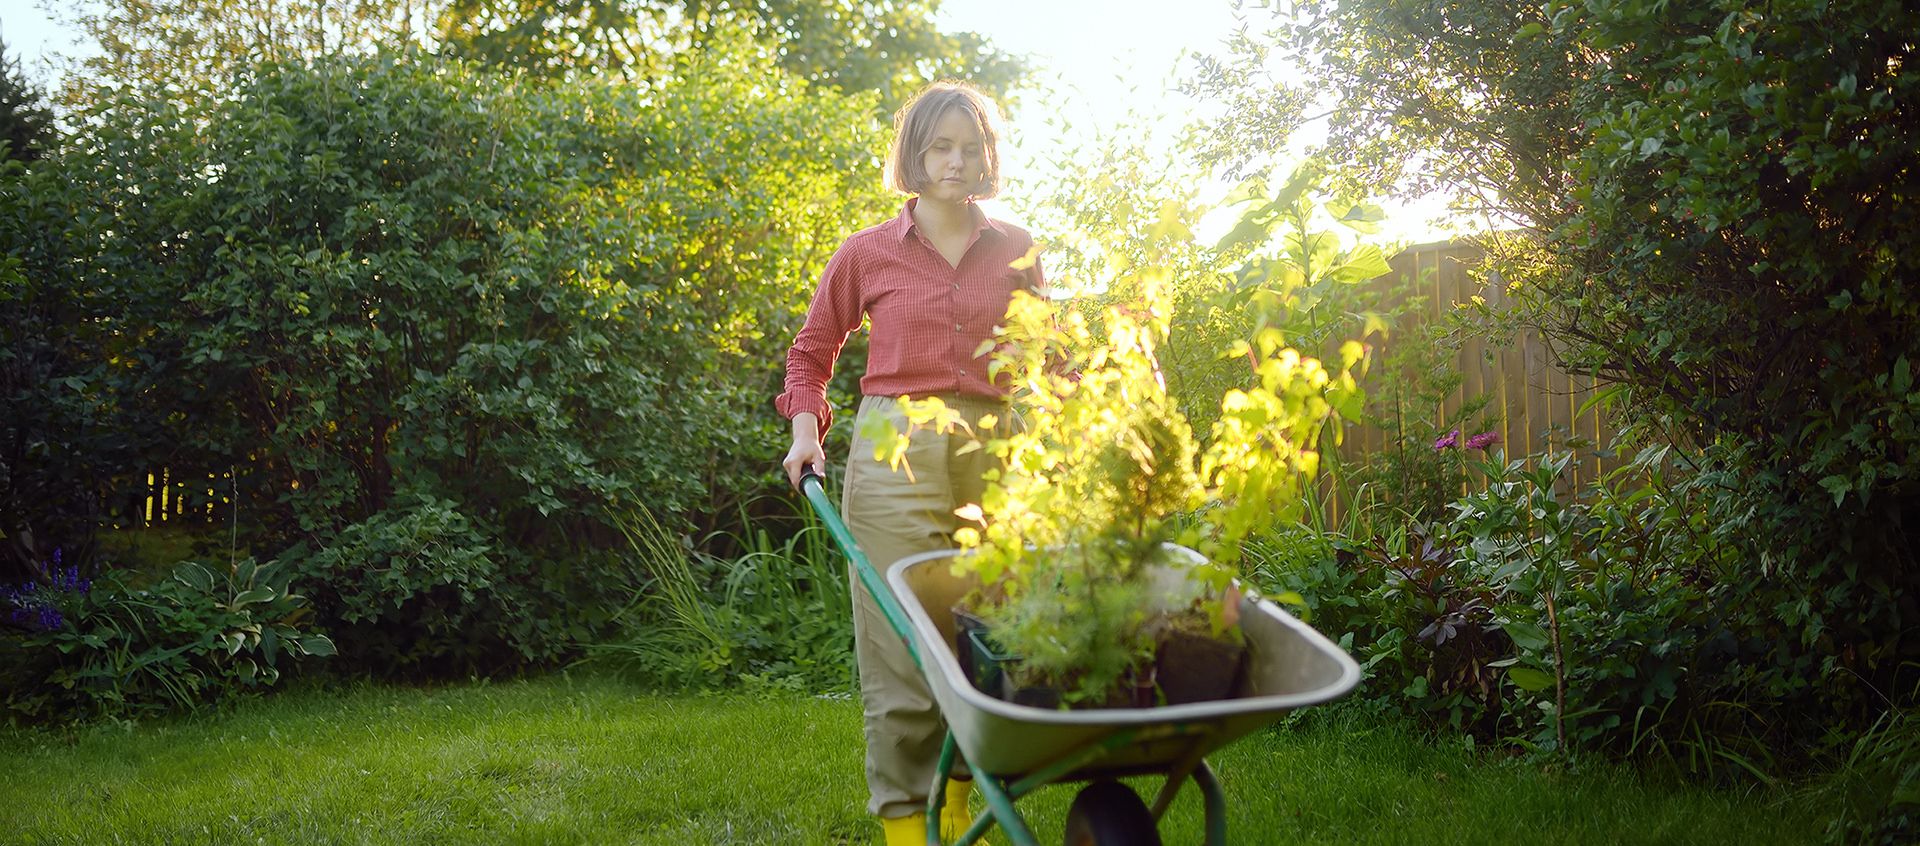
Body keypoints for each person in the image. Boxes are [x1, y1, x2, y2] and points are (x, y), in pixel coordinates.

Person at [776, 80, 1044, 846]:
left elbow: (1048, 357)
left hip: (996, 450)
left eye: (971, 147)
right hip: (895, 454)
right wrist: (805, 433)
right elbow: (812, 351)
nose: (956, 162)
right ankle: (906, 827)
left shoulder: (1019, 249)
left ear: (988, 156)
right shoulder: (866, 252)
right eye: (941, 146)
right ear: (915, 155)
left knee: (990, 633)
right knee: (900, 646)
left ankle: (960, 792)